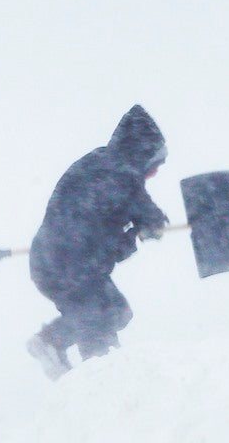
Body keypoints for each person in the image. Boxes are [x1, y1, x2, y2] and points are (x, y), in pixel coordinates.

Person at [26, 105, 169, 379]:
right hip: (69, 267)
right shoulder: (120, 176)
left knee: (114, 311)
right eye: (153, 167)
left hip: (53, 260)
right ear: (142, 156)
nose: (152, 174)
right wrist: (147, 228)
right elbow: (137, 219)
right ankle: (95, 377)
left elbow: (102, 233)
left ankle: (57, 347)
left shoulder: (99, 163)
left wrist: (136, 232)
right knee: (99, 319)